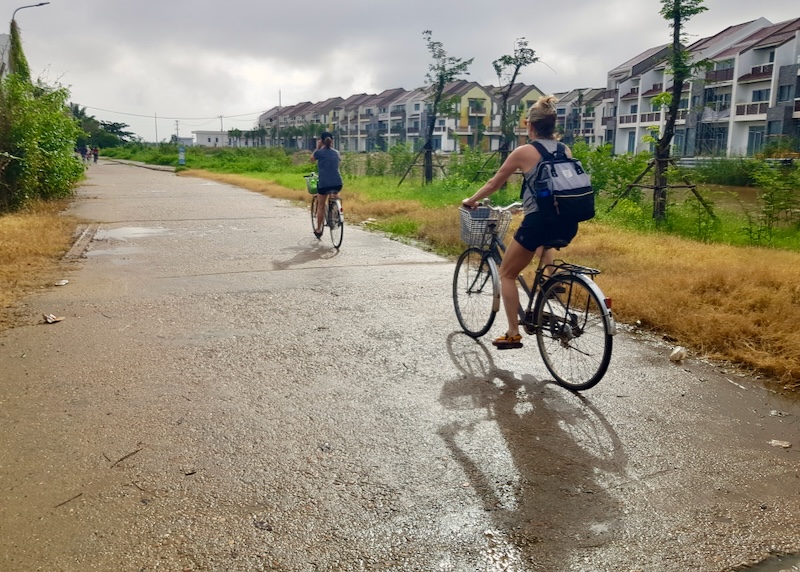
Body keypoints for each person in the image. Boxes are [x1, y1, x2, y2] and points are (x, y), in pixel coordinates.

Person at [461, 94, 579, 350]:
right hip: (568, 221)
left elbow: (494, 184)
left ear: (530, 126)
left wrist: (471, 200)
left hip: (539, 222)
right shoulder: (564, 149)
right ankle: (548, 292)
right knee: (541, 249)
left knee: (507, 273)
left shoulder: (524, 151)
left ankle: (513, 332)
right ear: (553, 126)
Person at [309, 131, 343, 239]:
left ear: (321, 141)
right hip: (337, 183)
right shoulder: (336, 152)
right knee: (334, 194)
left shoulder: (319, 152)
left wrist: (318, 147)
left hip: (324, 184)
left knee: (321, 205)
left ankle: (319, 229)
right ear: (331, 141)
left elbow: (312, 160)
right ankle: (336, 212)